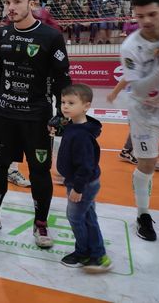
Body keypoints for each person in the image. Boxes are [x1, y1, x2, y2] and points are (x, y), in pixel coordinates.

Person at [0, 0, 71, 249]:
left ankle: (41, 223)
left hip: (36, 118)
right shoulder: (2, 34)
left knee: (39, 172)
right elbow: (1, 70)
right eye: (7, 2)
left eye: (16, 2)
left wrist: (62, 116)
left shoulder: (51, 37)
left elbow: (62, 80)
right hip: (4, 116)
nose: (10, 7)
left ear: (32, 4)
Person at [119, 0, 159, 241]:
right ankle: (143, 215)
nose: (146, 20)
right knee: (146, 164)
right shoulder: (130, 46)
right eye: (140, 16)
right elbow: (141, 87)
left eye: (152, 14)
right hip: (144, 109)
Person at [57, 84, 112, 272]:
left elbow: (86, 166)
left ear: (86, 106)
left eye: (71, 103)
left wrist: (78, 188)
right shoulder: (76, 126)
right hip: (82, 181)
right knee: (88, 215)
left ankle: (83, 252)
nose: (65, 106)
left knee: (75, 217)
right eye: (63, 102)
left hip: (82, 184)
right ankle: (98, 253)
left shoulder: (81, 135)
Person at [0, 1, 31, 188]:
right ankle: (10, 169)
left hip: (1, 78)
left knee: (1, 119)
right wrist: (0, 65)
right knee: (7, 120)